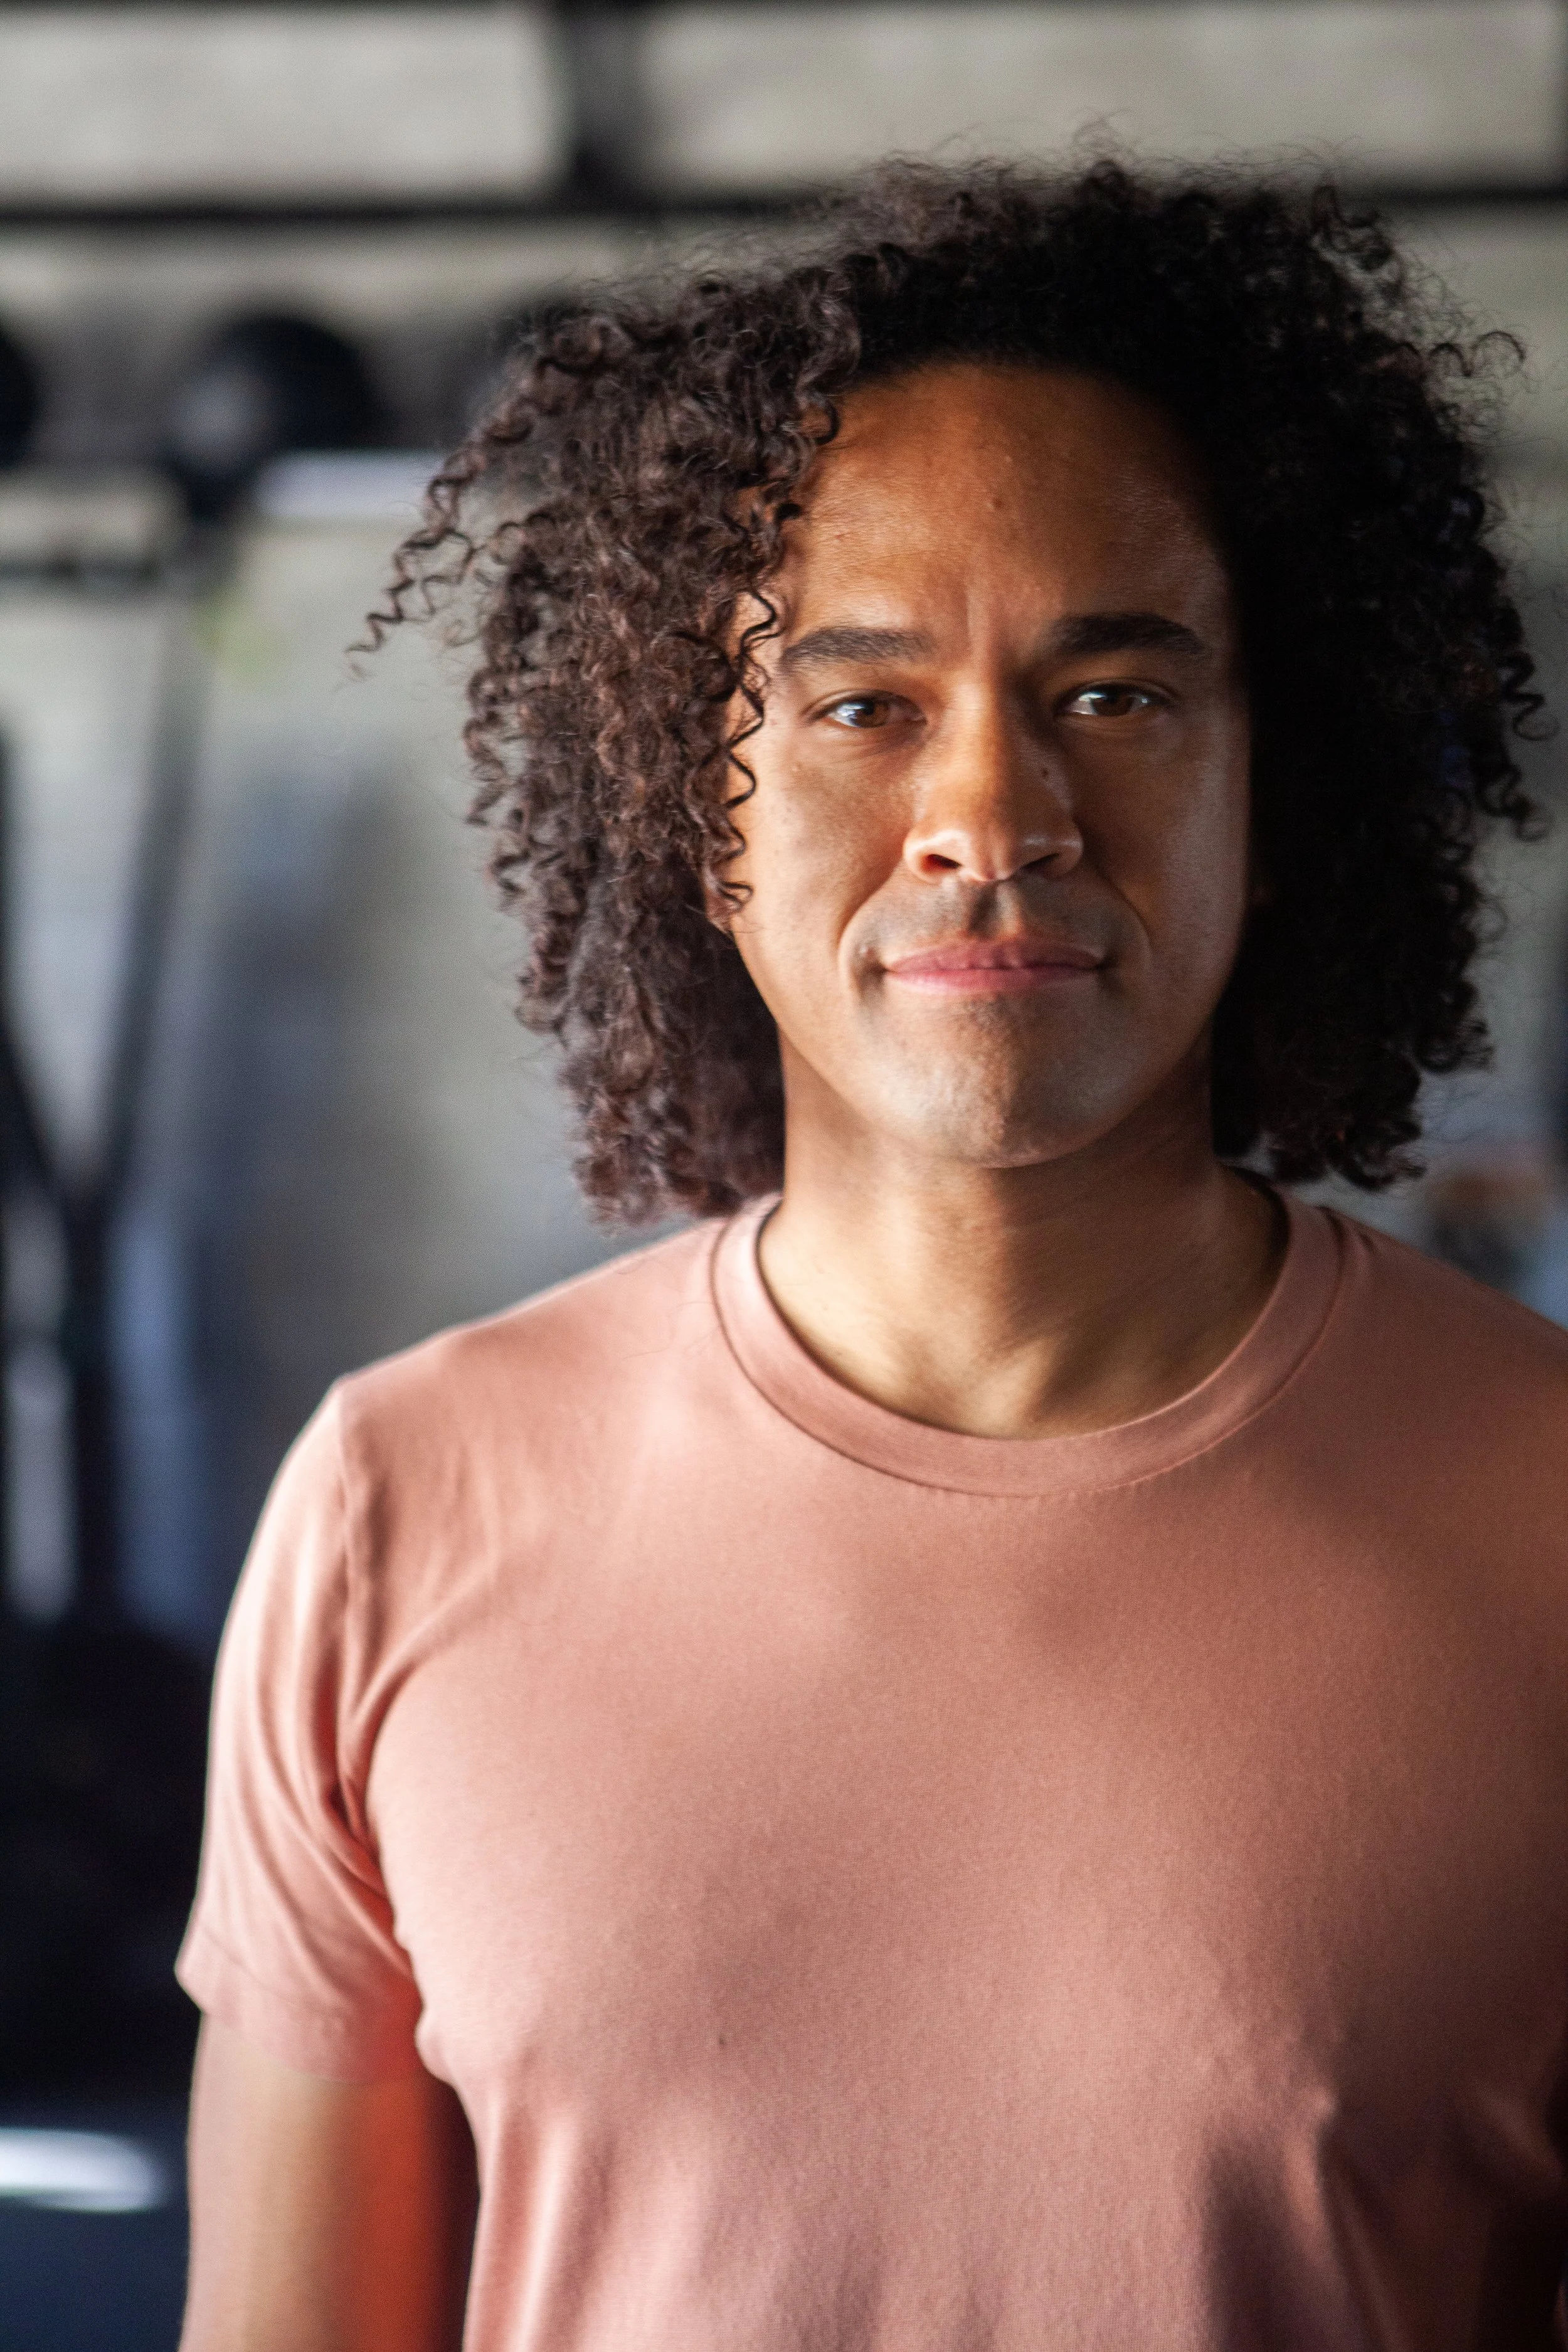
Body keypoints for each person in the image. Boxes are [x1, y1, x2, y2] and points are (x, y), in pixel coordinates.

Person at [176, 162, 1568, 2351]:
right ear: (694, 802)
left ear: (1272, 789)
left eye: (1114, 696)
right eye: (861, 704)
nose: (992, 816)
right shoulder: (397, 1504)